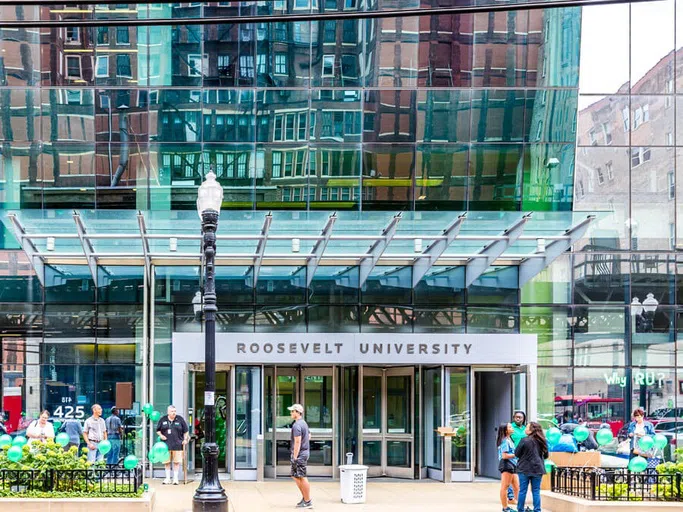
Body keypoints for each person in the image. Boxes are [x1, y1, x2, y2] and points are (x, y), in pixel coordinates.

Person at [515, 421, 548, 512]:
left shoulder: (524, 440)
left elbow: (517, 453)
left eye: (527, 427)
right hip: (538, 468)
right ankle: (537, 509)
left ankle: (520, 509)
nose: (525, 429)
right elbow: (546, 455)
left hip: (524, 468)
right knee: (536, 491)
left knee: (522, 491)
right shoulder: (542, 441)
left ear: (531, 430)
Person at [156, 405, 189, 485]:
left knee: (176, 462)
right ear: (168, 412)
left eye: (174, 411)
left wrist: (185, 439)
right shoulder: (163, 419)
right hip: (165, 445)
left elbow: (186, 431)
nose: (174, 413)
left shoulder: (180, 419)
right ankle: (167, 478)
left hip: (177, 445)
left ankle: (175, 479)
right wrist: (161, 436)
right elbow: (158, 430)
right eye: (172, 411)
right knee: (166, 462)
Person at [288, 404, 312, 509]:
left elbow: (297, 442)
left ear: (297, 413)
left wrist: (295, 456)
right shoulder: (304, 423)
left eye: (292, 411)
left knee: (302, 476)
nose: (291, 413)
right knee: (295, 475)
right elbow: (309, 435)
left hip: (300, 454)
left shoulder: (297, 425)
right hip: (304, 452)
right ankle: (305, 497)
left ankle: (307, 501)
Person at [497, 423, 519, 512]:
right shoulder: (505, 441)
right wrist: (517, 454)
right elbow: (504, 456)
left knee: (517, 487)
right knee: (505, 486)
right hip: (507, 464)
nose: (512, 428)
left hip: (513, 464)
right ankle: (505, 508)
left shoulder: (510, 439)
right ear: (506, 430)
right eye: (510, 427)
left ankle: (519, 506)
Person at [507, 410, 526, 501]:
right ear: (514, 418)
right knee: (511, 476)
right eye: (516, 417)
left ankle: (517, 495)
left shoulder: (525, 428)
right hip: (513, 456)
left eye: (520, 417)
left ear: (523, 419)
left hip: (524, 456)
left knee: (520, 477)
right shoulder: (510, 428)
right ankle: (510, 496)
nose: (518, 419)